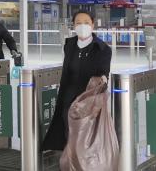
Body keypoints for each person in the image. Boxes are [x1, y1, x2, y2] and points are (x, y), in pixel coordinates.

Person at [42, 10, 112, 151]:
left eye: (86, 22)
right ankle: (71, 161)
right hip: (68, 97)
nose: (82, 26)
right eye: (78, 23)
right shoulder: (70, 45)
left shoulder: (102, 49)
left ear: (93, 24)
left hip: (89, 100)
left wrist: (102, 80)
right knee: (68, 132)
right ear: (73, 25)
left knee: (87, 137)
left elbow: (104, 75)